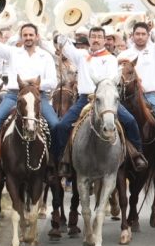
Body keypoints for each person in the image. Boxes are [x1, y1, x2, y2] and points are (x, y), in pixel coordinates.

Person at [54, 27, 148, 175]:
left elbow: (109, 82)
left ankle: (137, 154)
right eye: (93, 37)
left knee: (130, 121)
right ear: (89, 39)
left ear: (104, 40)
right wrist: (62, 32)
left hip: (106, 100)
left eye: (99, 37)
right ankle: (62, 160)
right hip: (85, 99)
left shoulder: (111, 59)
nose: (96, 39)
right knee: (61, 126)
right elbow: (65, 46)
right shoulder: (82, 55)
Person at [0, 7, 59, 179]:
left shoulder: (45, 56)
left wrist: (34, 82)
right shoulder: (13, 53)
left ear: (37, 37)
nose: (28, 38)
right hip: (14, 96)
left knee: (55, 125)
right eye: (25, 35)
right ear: (21, 37)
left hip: (40, 97)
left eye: (31, 35)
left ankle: (53, 164)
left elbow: (53, 82)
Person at [117, 14, 155, 149]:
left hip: (150, 96)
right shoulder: (123, 55)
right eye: (137, 34)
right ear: (132, 35)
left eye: (143, 34)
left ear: (148, 36)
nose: (140, 36)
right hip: (126, 98)